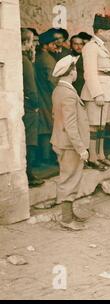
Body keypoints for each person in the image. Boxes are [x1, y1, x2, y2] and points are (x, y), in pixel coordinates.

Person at [51, 55, 90, 231]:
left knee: (70, 177)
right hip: (69, 143)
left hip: (62, 140)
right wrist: (81, 148)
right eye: (74, 69)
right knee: (69, 179)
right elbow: (70, 124)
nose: (76, 73)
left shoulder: (59, 90)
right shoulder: (68, 94)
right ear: (71, 72)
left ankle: (69, 213)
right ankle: (66, 218)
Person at [81, 14, 110, 171]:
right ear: (101, 31)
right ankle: (92, 158)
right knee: (94, 127)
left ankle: (101, 155)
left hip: (106, 92)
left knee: (102, 126)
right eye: (109, 31)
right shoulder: (90, 47)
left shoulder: (101, 47)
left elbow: (108, 74)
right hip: (97, 93)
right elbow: (89, 73)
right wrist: (97, 93)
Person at [21, 28, 44, 187]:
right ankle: (29, 175)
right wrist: (36, 105)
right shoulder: (25, 61)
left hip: (23, 104)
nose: (33, 45)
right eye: (31, 41)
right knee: (30, 140)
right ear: (25, 42)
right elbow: (31, 88)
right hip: (29, 107)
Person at [34, 29, 58, 167]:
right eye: (53, 44)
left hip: (41, 95)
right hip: (47, 97)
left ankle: (45, 157)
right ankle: (46, 158)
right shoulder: (48, 59)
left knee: (44, 127)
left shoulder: (38, 57)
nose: (56, 46)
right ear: (46, 45)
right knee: (48, 127)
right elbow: (52, 81)